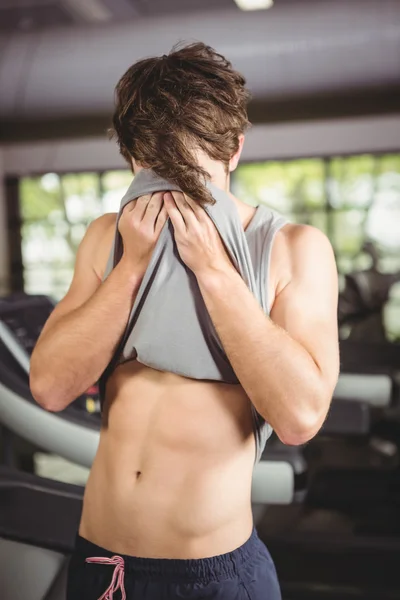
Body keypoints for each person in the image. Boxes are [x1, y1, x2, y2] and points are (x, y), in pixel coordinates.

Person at [30, 43, 339, 600]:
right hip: (101, 566)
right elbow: (50, 386)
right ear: (131, 160)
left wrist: (216, 271)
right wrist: (132, 267)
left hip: (212, 578)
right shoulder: (108, 237)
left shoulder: (293, 249)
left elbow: (298, 417)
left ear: (234, 151)